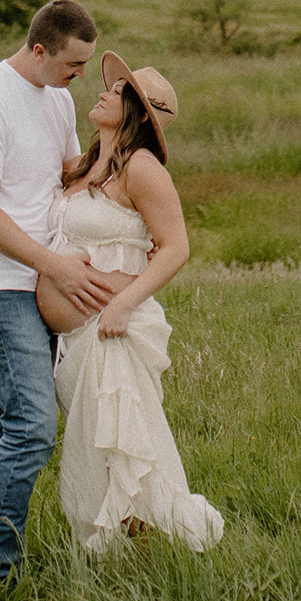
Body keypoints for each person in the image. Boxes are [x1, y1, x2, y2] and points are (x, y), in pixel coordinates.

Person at [0, 0, 120, 597]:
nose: (80, 75)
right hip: (0, 285)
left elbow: (62, 172)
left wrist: (120, 142)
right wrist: (56, 267)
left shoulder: (56, 99)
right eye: (74, 64)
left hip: (43, 283)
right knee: (32, 427)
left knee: (5, 421)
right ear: (41, 50)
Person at [36, 51, 224, 552]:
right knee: (96, 446)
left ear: (137, 113)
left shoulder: (142, 169)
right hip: (70, 338)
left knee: (117, 446)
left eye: (118, 92)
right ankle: (126, 554)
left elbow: (177, 248)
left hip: (109, 331)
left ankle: (141, 551)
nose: (102, 91)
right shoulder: (84, 163)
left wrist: (121, 306)